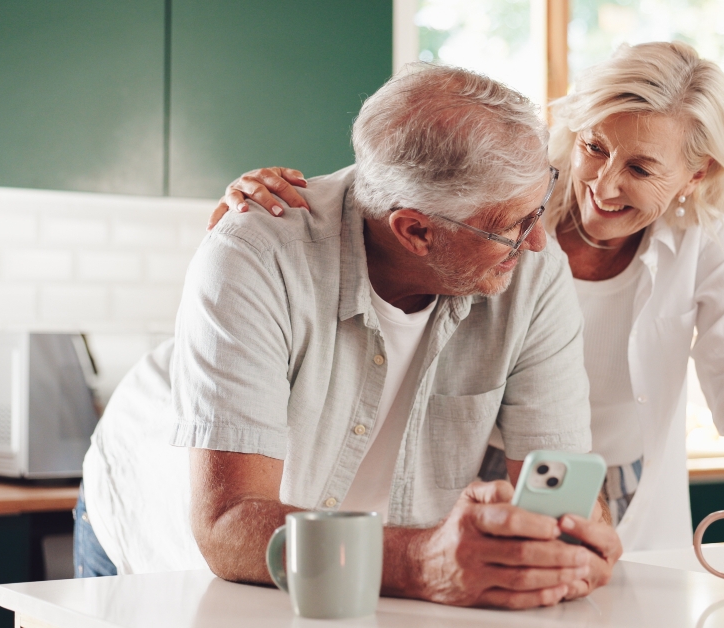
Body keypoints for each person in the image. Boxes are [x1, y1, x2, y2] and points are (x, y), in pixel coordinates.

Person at [213, 42, 724, 586]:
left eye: (642, 168)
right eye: (594, 147)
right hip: (448, 468)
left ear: (698, 173)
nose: (601, 183)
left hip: (597, 478)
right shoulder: (504, 185)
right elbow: (397, 185)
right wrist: (267, 216)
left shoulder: (703, 232)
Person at [78, 63, 623, 609]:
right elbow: (229, 525)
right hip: (168, 523)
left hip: (355, 552)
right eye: (511, 228)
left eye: (540, 204)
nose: (535, 244)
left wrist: (572, 538)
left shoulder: (531, 269)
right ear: (416, 231)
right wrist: (422, 561)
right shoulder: (255, 252)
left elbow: (557, 472)